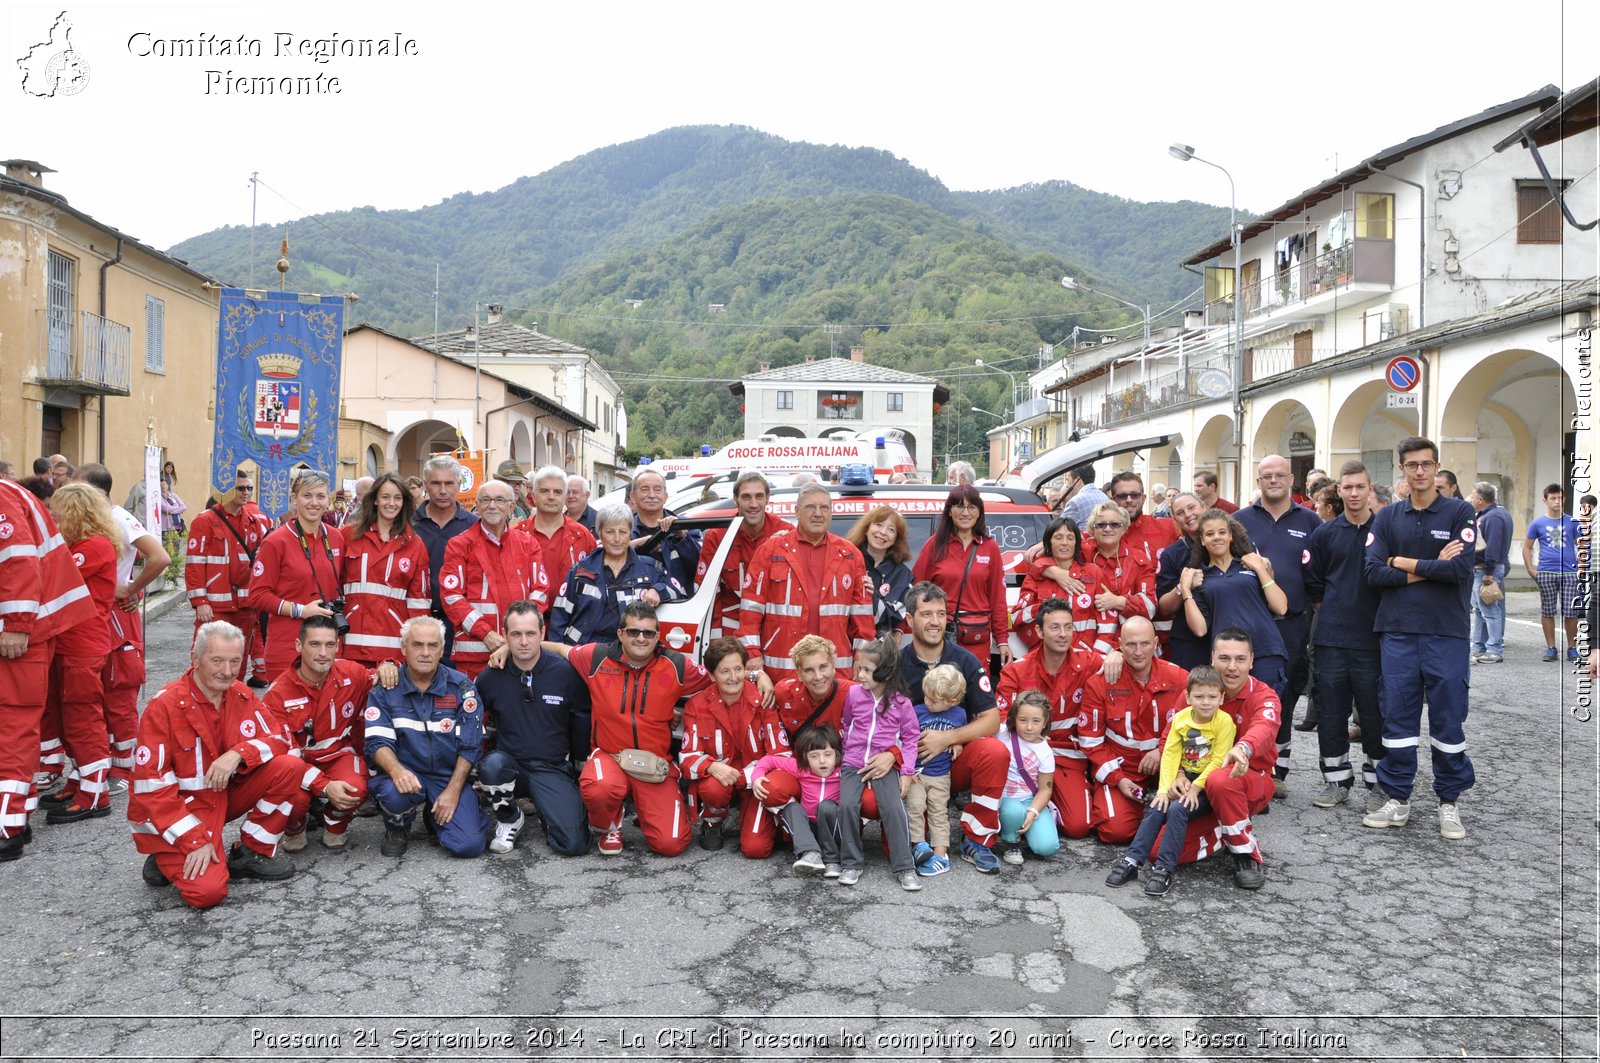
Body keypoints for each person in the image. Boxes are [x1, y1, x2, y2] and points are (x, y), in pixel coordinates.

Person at [129, 621, 308, 906]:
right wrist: (194, 841)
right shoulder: (164, 706)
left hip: (218, 799)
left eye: (235, 661)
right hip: (178, 811)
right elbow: (152, 790)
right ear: (195, 659)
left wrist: (238, 753)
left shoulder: (241, 694)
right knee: (207, 893)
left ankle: (252, 851)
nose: (227, 671)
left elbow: (279, 739)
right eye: (217, 661)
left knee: (289, 766)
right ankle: (165, 851)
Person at [1363, 436, 1477, 841]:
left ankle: (1449, 802)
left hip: (1445, 632)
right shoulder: (1389, 517)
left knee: (1448, 717)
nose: (1420, 471)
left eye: (1426, 464)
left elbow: (1460, 570)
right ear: (1402, 469)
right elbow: (1373, 572)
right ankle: (1398, 796)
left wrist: (1402, 561)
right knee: (1398, 717)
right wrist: (1427, 566)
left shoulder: (1460, 511)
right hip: (1397, 630)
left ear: (1436, 466)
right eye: (1412, 465)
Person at [548, 602, 710, 857]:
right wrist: (507, 648)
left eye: (648, 633)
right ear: (620, 633)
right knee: (600, 789)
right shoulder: (596, 658)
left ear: (658, 636)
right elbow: (558, 648)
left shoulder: (677, 665)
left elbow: (719, 678)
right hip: (609, 756)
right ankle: (608, 826)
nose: (641, 638)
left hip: (653, 762)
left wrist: (757, 676)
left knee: (671, 845)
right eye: (633, 632)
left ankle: (647, 812)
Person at [0, 475, 94, 860]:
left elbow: (18, 560)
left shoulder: (3, 497)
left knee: (13, 723)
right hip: (24, 629)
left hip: (20, 633)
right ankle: (14, 818)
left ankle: (8, 825)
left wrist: (17, 624)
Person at [897, 582, 1014, 874]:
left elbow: (991, 719)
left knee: (993, 751)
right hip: (909, 769)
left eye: (941, 613)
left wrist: (947, 738)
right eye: (926, 614)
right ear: (910, 620)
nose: (935, 622)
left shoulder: (965, 659)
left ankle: (977, 839)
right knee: (897, 847)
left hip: (951, 763)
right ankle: (916, 842)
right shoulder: (896, 663)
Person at [75, 464, 169, 785]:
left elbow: (159, 557)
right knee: (94, 689)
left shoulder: (115, 517)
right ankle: (103, 761)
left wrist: (130, 586)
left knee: (118, 689)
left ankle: (123, 769)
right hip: (96, 612)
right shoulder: (96, 520)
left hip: (114, 614)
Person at [364, 616, 488, 858]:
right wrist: (398, 771)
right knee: (395, 793)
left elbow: (471, 745)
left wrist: (453, 791)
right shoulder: (386, 688)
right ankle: (398, 826)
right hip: (407, 774)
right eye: (417, 645)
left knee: (468, 846)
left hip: (447, 776)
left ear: (442, 650)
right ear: (403, 648)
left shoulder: (462, 687)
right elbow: (377, 743)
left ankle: (437, 818)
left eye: (433, 646)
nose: (425, 652)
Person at [1105, 666, 1235, 896]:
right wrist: (1164, 789)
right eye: (1199, 696)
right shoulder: (1180, 719)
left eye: (1212, 697)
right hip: (1182, 778)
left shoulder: (1224, 722)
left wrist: (1195, 788)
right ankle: (1132, 860)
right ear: (1188, 697)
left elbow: (1218, 761)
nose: (1206, 702)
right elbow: (1171, 755)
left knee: (1177, 809)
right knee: (1158, 805)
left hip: (1207, 785)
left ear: (1222, 698)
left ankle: (1164, 868)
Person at [475, 601, 591, 857]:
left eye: (531, 633)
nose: (524, 641)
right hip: (509, 765)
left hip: (551, 767)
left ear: (542, 632)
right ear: (506, 636)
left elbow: (582, 719)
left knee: (573, 845)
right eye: (516, 634)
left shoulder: (565, 673)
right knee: (491, 766)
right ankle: (509, 818)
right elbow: (472, 720)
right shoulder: (491, 676)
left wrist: (581, 764)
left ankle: (550, 813)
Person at [36, 483, 120, 824]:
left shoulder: (94, 547)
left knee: (83, 719)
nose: (53, 517)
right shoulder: (81, 546)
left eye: (58, 511)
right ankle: (79, 779)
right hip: (69, 644)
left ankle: (95, 793)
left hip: (82, 648)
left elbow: (51, 576)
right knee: (68, 719)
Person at [1305, 461, 1385, 811]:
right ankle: (1336, 781)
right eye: (1347, 487)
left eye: (1360, 487)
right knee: (1332, 712)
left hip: (1374, 638)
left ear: (1370, 489)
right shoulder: (1324, 534)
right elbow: (1313, 584)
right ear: (1339, 491)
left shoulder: (1386, 529)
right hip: (1332, 638)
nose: (1353, 493)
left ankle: (1379, 783)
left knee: (1374, 713)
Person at [1234, 454, 1319, 786]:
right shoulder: (1238, 520)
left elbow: (1319, 575)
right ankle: (1243, 767)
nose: (1272, 480)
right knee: (1242, 694)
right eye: (1266, 475)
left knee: (1284, 696)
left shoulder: (1310, 522)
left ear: (1290, 481)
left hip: (1293, 624)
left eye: (1279, 475)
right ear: (1258, 481)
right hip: (1247, 625)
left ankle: (1276, 771)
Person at [738, 483, 873, 688]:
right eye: (810, 507)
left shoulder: (850, 555)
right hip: (782, 670)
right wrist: (753, 656)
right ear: (797, 512)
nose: (818, 514)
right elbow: (750, 612)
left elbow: (862, 617)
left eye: (824, 508)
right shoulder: (771, 551)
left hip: (835, 673)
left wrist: (862, 657)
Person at [263, 616, 379, 850]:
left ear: (337, 646)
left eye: (330, 645)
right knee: (293, 799)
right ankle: (295, 827)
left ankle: (334, 825)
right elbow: (284, 756)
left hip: (337, 754)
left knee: (354, 789)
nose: (323, 652)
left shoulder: (350, 673)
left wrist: (388, 666)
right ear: (299, 646)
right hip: (297, 762)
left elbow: (381, 676)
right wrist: (325, 787)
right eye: (315, 644)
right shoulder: (277, 694)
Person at [998, 597, 1108, 839]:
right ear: (1039, 630)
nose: (1063, 634)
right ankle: (1020, 815)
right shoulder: (1017, 671)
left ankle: (1046, 810)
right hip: (1025, 757)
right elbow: (1002, 724)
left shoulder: (1088, 663)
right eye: (1054, 627)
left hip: (1068, 756)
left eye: (1068, 627)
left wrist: (1116, 656)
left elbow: (1117, 664)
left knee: (1078, 828)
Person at [439, 480, 549, 679]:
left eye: (499, 500)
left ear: (511, 506)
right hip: (475, 653)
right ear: (477, 505)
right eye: (486, 500)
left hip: (520, 653)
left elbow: (540, 591)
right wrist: (486, 634)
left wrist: (518, 635)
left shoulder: (527, 544)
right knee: (475, 709)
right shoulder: (460, 545)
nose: (492, 505)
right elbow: (452, 597)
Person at [837, 634, 921, 891]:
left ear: (885, 674)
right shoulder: (853, 694)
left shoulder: (902, 703)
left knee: (893, 808)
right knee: (847, 806)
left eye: (867, 670)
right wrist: (845, 757)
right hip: (853, 764)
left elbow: (911, 738)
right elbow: (847, 724)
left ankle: (905, 866)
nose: (860, 675)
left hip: (885, 767)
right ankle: (851, 863)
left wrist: (906, 771)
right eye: (859, 668)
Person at [247, 469, 345, 684]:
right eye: (307, 495)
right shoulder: (276, 541)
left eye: (320, 496)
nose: (314, 502)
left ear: (328, 500)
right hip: (287, 646)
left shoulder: (336, 538)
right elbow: (256, 595)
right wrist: (301, 610)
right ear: (294, 499)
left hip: (326, 647)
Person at [1179, 509, 1288, 694]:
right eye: (1210, 534)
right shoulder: (1201, 578)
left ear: (1230, 536)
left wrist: (1260, 569)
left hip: (1265, 650)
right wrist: (1186, 589)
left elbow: (1281, 607)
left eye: (1222, 532)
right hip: (1228, 659)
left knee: (1268, 712)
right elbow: (1199, 629)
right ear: (1202, 540)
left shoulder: (1251, 566)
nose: (1217, 538)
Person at [679, 638, 771, 854]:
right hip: (721, 778)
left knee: (756, 849)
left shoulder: (762, 697)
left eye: (738, 669)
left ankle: (767, 820)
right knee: (713, 787)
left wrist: (749, 775)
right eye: (725, 671)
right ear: (711, 675)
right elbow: (686, 757)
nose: (733, 677)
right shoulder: (697, 704)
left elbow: (780, 753)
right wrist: (711, 767)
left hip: (755, 777)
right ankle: (713, 822)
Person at [550, 502, 684, 647]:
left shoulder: (648, 568)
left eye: (623, 532)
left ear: (630, 533)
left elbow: (679, 590)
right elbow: (559, 617)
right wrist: (560, 654)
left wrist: (658, 590)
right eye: (610, 532)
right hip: (583, 651)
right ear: (600, 533)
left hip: (629, 651)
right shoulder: (581, 571)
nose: (617, 539)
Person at [185, 470, 274, 686]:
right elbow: (194, 564)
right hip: (215, 606)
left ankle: (231, 707)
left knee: (237, 663)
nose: (246, 493)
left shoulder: (252, 521)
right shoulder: (204, 521)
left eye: (249, 488)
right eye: (240, 488)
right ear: (226, 489)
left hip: (245, 606)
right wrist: (200, 602)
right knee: (206, 659)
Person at [912, 485, 1012, 666]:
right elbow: (915, 591)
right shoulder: (934, 545)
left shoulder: (990, 548)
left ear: (979, 512)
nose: (965, 512)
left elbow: (998, 599)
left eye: (971, 507)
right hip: (941, 634)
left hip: (977, 638)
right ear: (950, 511)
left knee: (976, 692)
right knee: (940, 690)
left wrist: (1002, 639)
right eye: (959, 506)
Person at [340, 472, 431, 668]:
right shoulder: (349, 535)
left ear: (404, 503)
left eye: (397, 498)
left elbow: (419, 602)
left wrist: (416, 645)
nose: (392, 503)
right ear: (374, 500)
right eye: (385, 497)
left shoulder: (414, 544)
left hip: (392, 648)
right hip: (349, 642)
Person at [747, 724, 843, 877]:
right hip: (808, 828)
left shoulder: (843, 771)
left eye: (827, 754)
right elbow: (769, 760)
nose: (822, 761)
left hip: (833, 827)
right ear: (805, 757)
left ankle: (833, 861)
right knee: (791, 808)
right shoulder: (801, 768)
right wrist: (757, 776)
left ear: (837, 755)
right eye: (814, 756)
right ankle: (811, 853)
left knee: (826, 807)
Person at [697, 472, 782, 638]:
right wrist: (715, 641)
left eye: (759, 496)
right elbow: (707, 594)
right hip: (731, 634)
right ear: (735, 499)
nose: (753, 504)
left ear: (767, 498)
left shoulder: (784, 533)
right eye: (746, 497)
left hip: (774, 632)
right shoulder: (716, 536)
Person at [412, 455, 478, 664]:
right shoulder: (408, 524)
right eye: (436, 483)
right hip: (417, 619)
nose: (442, 490)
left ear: (459, 485)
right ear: (425, 486)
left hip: (460, 623)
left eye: (449, 483)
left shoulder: (475, 526)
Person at [1012, 516, 1105, 654]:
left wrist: (1098, 656)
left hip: (1085, 658)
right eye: (1058, 537)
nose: (1064, 543)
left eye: (1070, 538)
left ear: (1076, 543)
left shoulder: (1093, 573)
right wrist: (1046, 609)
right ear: (1048, 542)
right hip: (1047, 657)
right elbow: (1017, 618)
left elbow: (1108, 622)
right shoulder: (1036, 575)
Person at [907, 664, 967, 877]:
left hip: (941, 775)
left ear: (952, 701)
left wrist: (958, 742)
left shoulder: (959, 715)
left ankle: (941, 854)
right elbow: (906, 739)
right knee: (914, 805)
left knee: (938, 811)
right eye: (926, 696)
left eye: (933, 700)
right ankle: (919, 846)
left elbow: (962, 734)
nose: (927, 702)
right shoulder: (916, 712)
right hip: (916, 773)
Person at [994, 690, 1059, 865]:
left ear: (1044, 722)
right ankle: (1010, 840)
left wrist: (1033, 811)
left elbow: (1046, 789)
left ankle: (1022, 828)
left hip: (1030, 799)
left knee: (1047, 847)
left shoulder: (1045, 751)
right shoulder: (1002, 733)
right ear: (1014, 718)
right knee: (1013, 812)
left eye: (1036, 721)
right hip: (1005, 798)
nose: (1029, 727)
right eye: (1023, 720)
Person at [1084, 502, 1157, 646]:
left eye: (1114, 524)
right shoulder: (1081, 553)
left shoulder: (1139, 560)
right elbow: (1056, 546)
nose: (1108, 529)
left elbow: (1150, 606)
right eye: (1101, 525)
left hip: (1126, 642)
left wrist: (1117, 602)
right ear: (1092, 529)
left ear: (1123, 529)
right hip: (1087, 640)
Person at [1525, 483, 1582, 662]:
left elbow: (1582, 546)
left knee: (1571, 612)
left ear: (1564, 499)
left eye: (1560, 498)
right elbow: (1527, 547)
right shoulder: (1538, 523)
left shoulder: (1573, 522)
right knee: (1548, 611)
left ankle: (1572, 648)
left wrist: (1581, 567)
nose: (1557, 501)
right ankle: (1551, 648)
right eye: (1553, 498)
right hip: (1546, 571)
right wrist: (1530, 569)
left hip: (1569, 573)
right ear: (1545, 500)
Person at [519, 466, 597, 599]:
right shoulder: (517, 534)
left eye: (557, 492)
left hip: (571, 617)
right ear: (533, 496)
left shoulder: (582, 535)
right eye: (544, 491)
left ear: (565, 496)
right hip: (528, 617)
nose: (551, 497)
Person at [1153, 493, 1209, 667]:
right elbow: (1165, 607)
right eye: (1180, 512)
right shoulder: (1172, 555)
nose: (1188, 514)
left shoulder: (1231, 543)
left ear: (1204, 507)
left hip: (1229, 635)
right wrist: (1182, 587)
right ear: (1175, 520)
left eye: (1192, 507)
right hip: (1190, 642)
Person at [844, 504, 914, 638]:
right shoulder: (846, 561)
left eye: (891, 529)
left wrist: (872, 596)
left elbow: (894, 618)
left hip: (880, 651)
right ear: (866, 529)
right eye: (878, 524)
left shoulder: (903, 575)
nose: (883, 532)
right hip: (845, 646)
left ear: (896, 539)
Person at [628, 469, 700, 591]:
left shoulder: (685, 525)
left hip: (681, 603)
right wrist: (632, 545)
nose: (651, 495)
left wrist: (681, 536)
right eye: (645, 489)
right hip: (635, 604)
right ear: (633, 496)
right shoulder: (623, 530)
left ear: (666, 497)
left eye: (657, 490)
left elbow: (699, 566)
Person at [1469, 482, 1513, 665]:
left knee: (1489, 610)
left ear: (1480, 499)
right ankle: (1479, 647)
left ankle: (1494, 650)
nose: (1470, 499)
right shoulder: (1496, 513)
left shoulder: (1492, 517)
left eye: (1472, 496)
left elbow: (1492, 547)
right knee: (1481, 610)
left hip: (1486, 570)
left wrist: (1489, 572)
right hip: (1487, 568)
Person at [1107, 472, 1180, 565]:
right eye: (1122, 496)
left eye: (1135, 495)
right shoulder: (1103, 534)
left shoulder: (1169, 527)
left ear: (1143, 498)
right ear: (1113, 500)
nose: (1129, 500)